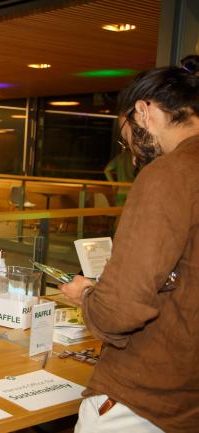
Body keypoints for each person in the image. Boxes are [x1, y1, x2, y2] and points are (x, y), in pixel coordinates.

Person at [61, 55, 199, 433]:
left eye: (128, 141)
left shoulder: (168, 174)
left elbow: (121, 309)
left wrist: (89, 298)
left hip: (146, 396)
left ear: (144, 111)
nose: (136, 155)